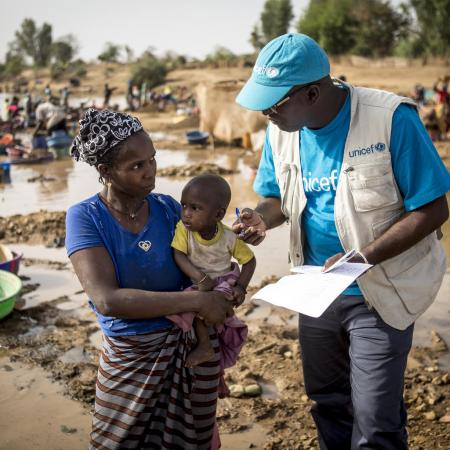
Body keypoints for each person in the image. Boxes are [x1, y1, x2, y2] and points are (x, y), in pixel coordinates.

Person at [234, 33, 450, 449]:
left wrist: (360, 259)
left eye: (273, 104)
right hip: (316, 290)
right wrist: (260, 219)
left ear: (313, 92)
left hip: (380, 291)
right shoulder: (282, 131)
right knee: (328, 401)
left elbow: (433, 209)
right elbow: (276, 198)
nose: (265, 114)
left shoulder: (389, 118)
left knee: (374, 423)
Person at [66, 108, 233, 449]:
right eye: (136, 166)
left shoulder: (169, 208)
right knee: (117, 440)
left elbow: (211, 245)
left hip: (187, 348)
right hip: (131, 355)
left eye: (152, 160)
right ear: (105, 171)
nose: (150, 172)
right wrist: (198, 300)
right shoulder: (85, 218)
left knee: (191, 439)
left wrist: (238, 235)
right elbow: (107, 300)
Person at [167, 174, 256, 372]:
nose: (186, 214)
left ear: (218, 215)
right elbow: (178, 254)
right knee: (191, 305)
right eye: (184, 206)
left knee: (212, 308)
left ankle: (208, 346)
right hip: (199, 281)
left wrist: (241, 287)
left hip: (224, 281)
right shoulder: (184, 229)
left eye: (195, 208)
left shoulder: (228, 236)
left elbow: (249, 261)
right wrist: (201, 278)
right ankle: (206, 345)